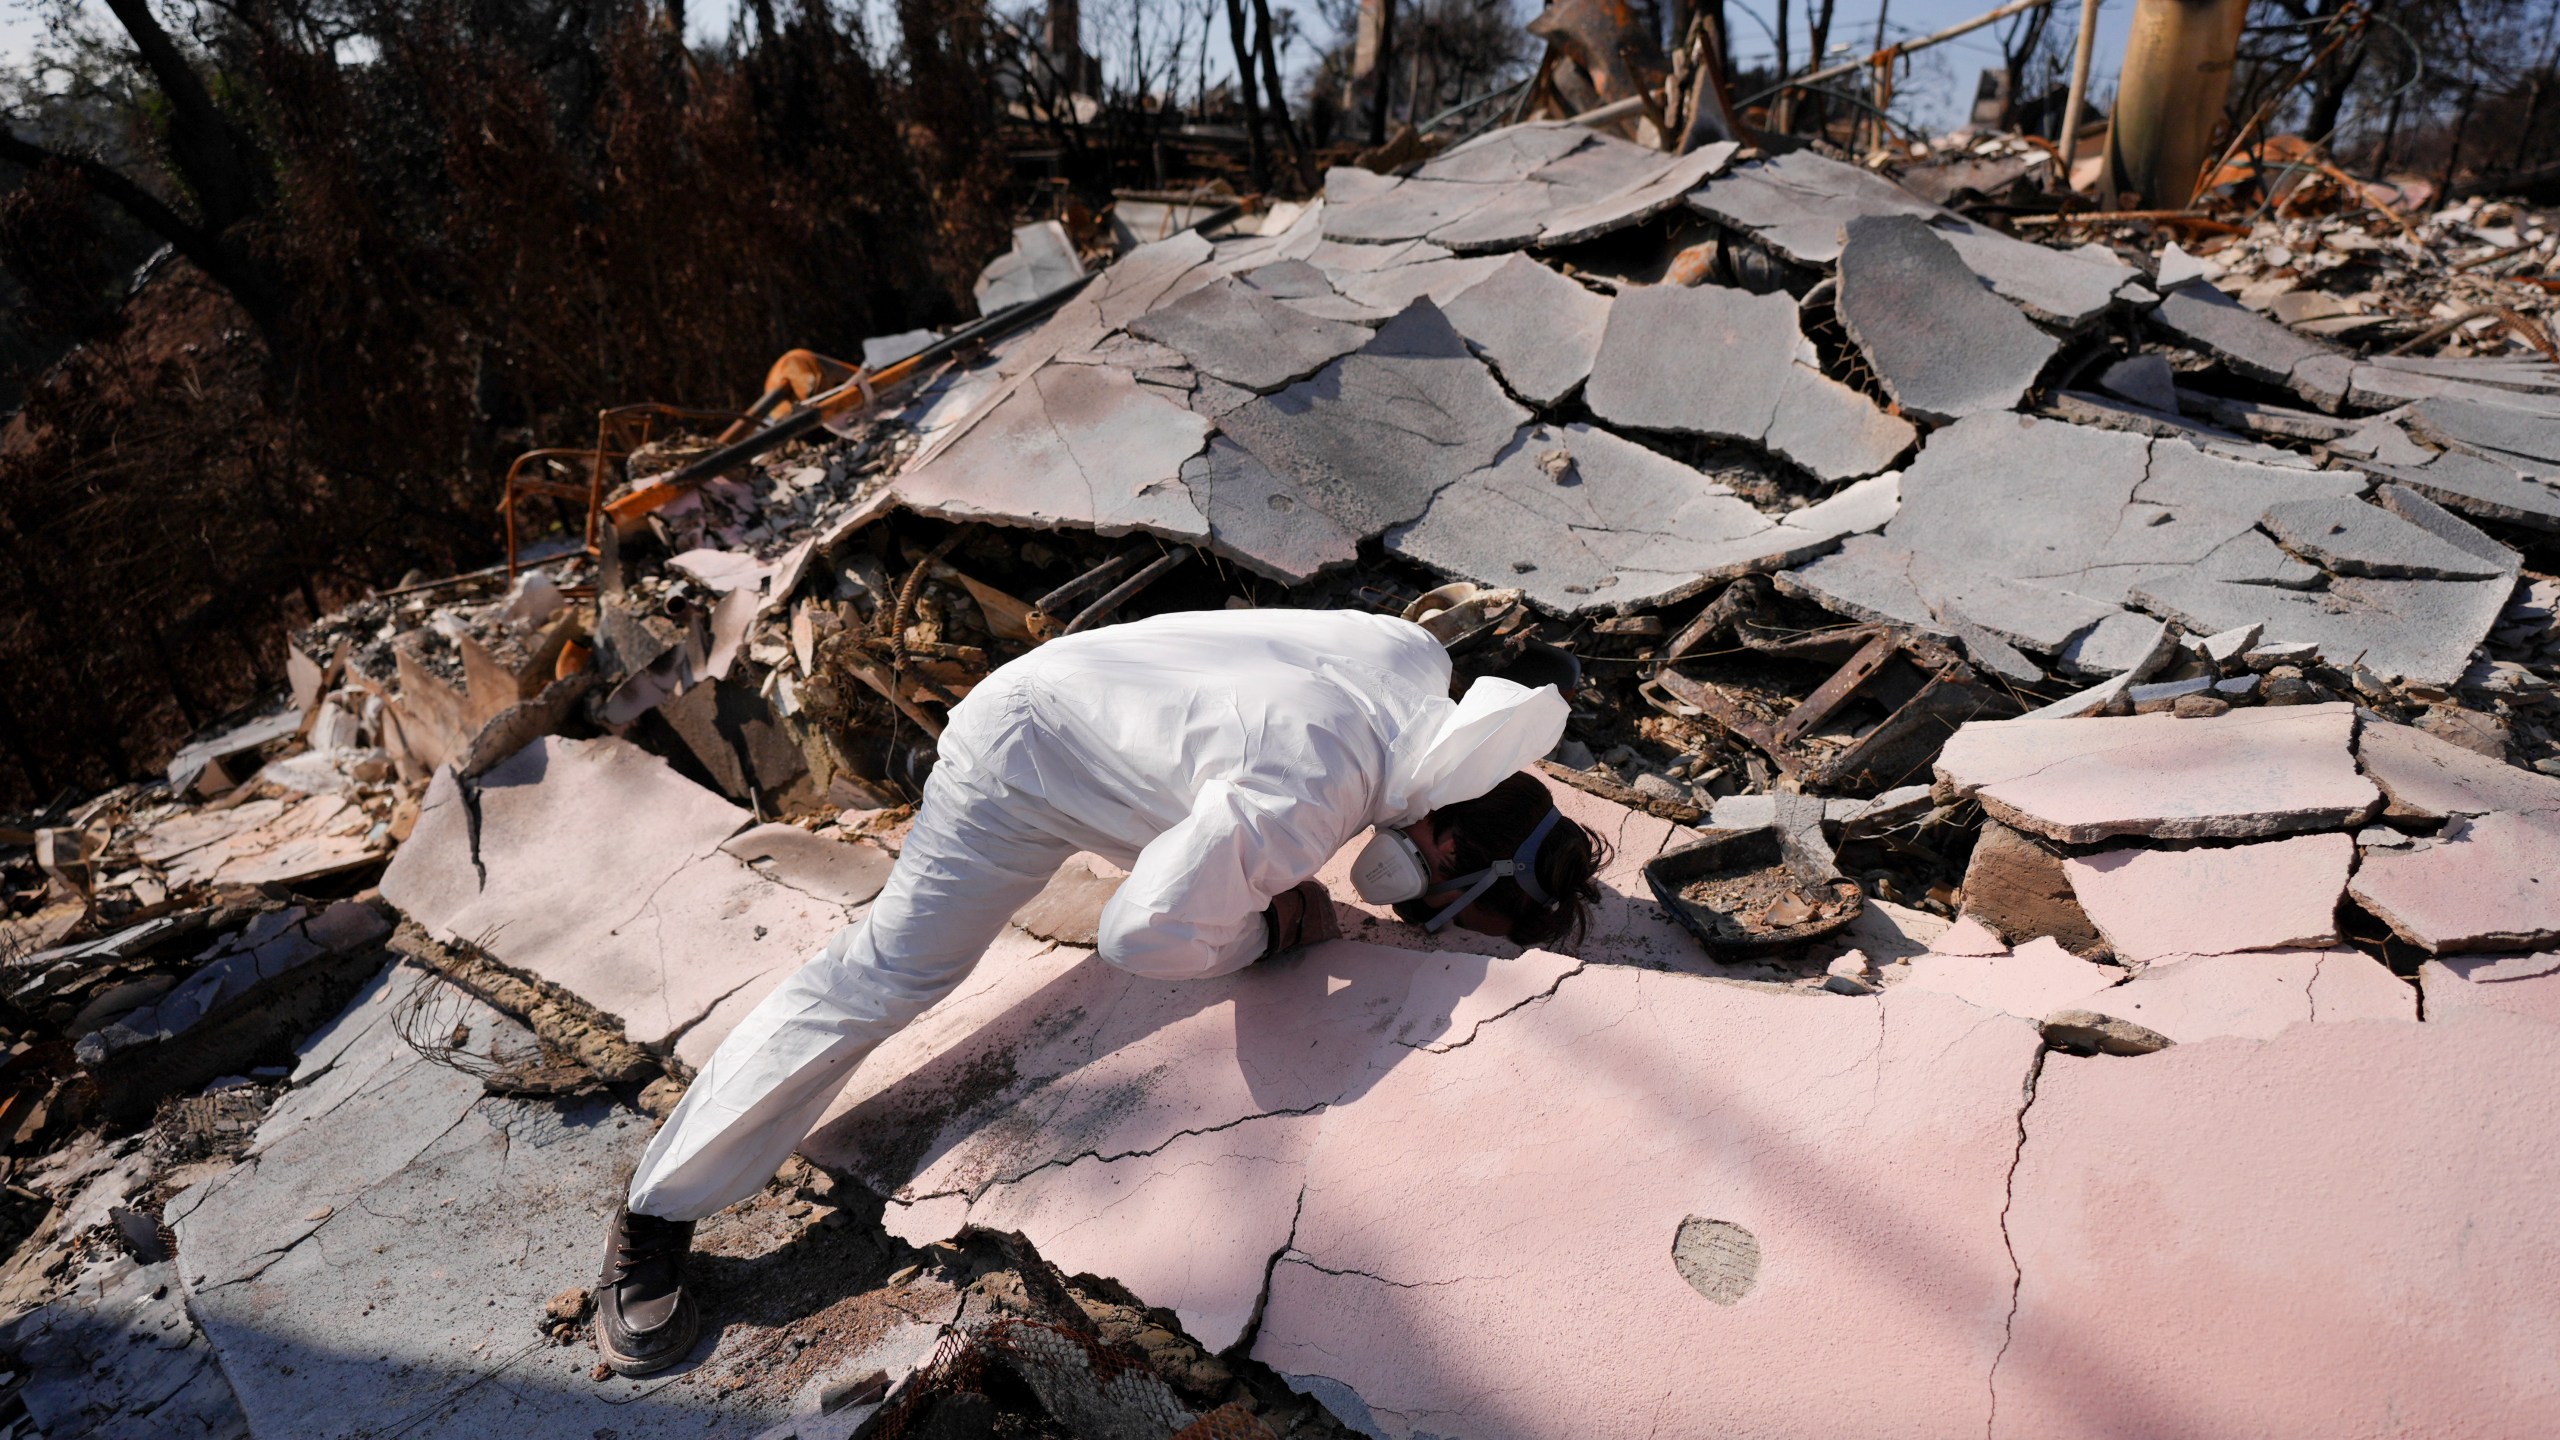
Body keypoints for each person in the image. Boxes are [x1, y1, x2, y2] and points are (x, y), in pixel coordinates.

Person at [593, 606, 1607, 1375]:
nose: (1410, 915)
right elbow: (1143, 936)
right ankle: (655, 1213)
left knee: (1212, 847)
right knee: (893, 973)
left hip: (1090, 689)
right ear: (1436, 838)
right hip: (1018, 766)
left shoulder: (1410, 656)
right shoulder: (1303, 805)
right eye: (1437, 905)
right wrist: (1261, 931)